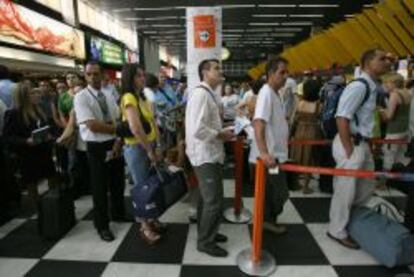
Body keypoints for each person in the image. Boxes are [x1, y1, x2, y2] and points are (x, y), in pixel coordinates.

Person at [328, 48, 389, 249]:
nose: (386, 62)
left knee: (365, 187)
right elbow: (342, 117)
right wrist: (349, 149)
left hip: (362, 143)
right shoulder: (359, 86)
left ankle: (351, 222)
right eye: (382, 59)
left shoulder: (373, 86)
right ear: (367, 63)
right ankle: (336, 229)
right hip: (351, 144)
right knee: (345, 191)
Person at [185, 59, 235, 257]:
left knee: (208, 199)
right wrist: (220, 134)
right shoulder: (201, 94)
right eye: (216, 68)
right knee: (213, 201)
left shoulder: (208, 94)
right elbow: (198, 129)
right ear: (205, 73)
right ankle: (205, 242)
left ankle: (209, 232)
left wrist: (222, 131)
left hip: (210, 153)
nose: (220, 71)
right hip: (204, 155)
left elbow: (207, 124)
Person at [74, 61, 126, 242]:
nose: (93, 77)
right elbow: (92, 125)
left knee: (118, 183)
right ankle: (102, 225)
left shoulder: (108, 94)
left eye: (96, 73)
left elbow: (118, 118)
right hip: (96, 147)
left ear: (103, 74)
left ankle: (119, 213)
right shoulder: (81, 97)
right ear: (85, 76)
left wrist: (118, 139)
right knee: (99, 187)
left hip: (114, 143)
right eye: (89, 74)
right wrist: (116, 130)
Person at [120, 63, 164, 245]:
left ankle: (151, 219)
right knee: (141, 188)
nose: (142, 78)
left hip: (149, 145)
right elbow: (135, 128)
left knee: (151, 186)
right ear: (130, 78)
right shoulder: (129, 97)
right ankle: (144, 225)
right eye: (138, 75)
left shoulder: (142, 96)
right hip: (138, 148)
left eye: (143, 75)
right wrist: (149, 150)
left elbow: (152, 121)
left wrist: (158, 145)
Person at [249, 58, 290, 235]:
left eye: (286, 72)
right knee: (279, 193)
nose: (285, 76)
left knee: (271, 192)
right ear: (270, 74)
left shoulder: (275, 93)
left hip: (274, 156)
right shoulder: (266, 93)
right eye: (282, 72)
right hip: (267, 159)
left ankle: (267, 220)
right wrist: (265, 153)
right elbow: (259, 124)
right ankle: (266, 220)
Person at [3, 83, 55, 203]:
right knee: (32, 184)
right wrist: (26, 141)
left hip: (43, 151)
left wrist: (48, 135)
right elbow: (8, 137)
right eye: (33, 93)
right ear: (24, 96)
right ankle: (38, 212)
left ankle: (53, 207)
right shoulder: (13, 113)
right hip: (27, 155)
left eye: (37, 92)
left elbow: (46, 127)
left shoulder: (38, 109)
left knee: (52, 177)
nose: (37, 94)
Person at [290, 79, 323, 194]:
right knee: (310, 157)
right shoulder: (318, 105)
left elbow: (294, 120)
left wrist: (291, 134)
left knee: (299, 155)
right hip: (313, 132)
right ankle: (306, 186)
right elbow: (320, 118)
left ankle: (296, 182)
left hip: (299, 130)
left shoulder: (300, 103)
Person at [379, 73, 411, 170]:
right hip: (405, 129)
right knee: (401, 156)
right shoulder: (407, 92)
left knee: (389, 155)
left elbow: (389, 116)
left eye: (387, 83)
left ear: (393, 83)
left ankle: (386, 181)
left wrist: (380, 110)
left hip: (394, 130)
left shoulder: (394, 95)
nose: (385, 85)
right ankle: (400, 181)